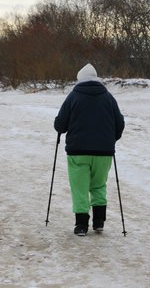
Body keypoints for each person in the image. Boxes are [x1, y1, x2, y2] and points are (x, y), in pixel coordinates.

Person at [54, 63, 125, 236]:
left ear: (80, 79)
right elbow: (120, 124)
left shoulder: (73, 96)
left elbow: (60, 125)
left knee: (80, 188)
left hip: (78, 151)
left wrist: (60, 127)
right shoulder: (108, 97)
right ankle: (99, 222)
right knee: (99, 185)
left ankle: (81, 225)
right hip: (104, 152)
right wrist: (110, 140)